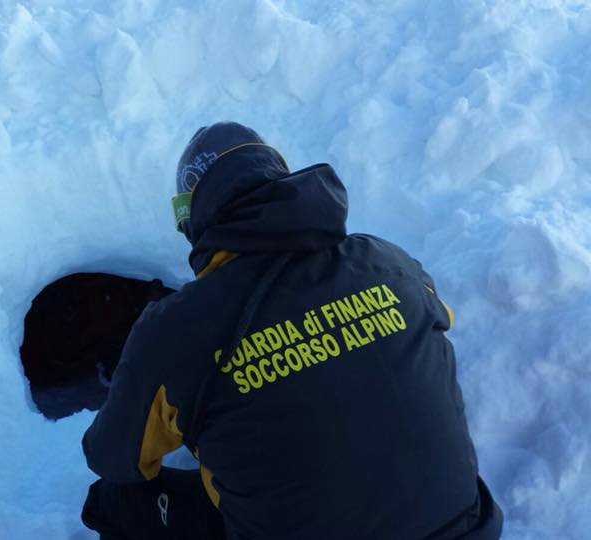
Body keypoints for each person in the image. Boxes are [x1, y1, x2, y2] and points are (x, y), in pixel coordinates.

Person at [80, 122, 503, 540]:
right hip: (465, 530)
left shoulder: (176, 328)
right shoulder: (388, 263)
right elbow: (437, 318)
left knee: (115, 501)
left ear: (194, 217)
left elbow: (113, 457)